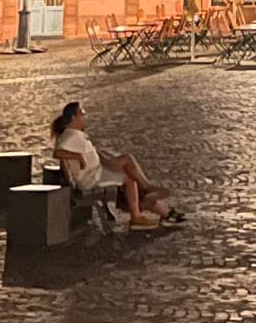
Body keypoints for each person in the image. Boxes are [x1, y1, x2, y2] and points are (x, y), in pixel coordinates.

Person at [49, 98, 179, 229]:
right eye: (82, 112)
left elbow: (88, 152)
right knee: (130, 175)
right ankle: (144, 203)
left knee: (129, 170)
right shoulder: (71, 135)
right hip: (92, 177)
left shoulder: (76, 134)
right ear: (73, 117)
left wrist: (103, 159)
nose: (85, 115)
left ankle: (152, 204)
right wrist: (79, 157)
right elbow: (58, 152)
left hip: (97, 172)